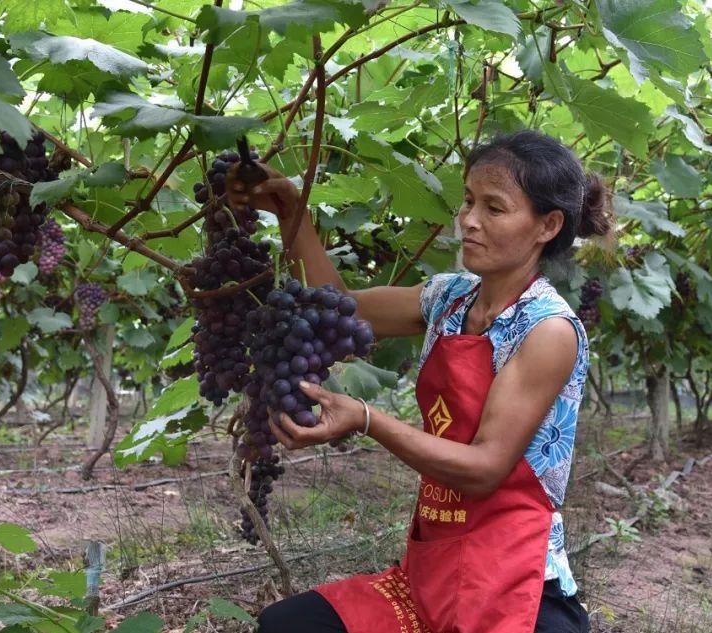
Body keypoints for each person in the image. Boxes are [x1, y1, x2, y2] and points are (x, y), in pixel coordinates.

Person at [227, 129, 611, 633]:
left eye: (494, 209)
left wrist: (367, 420)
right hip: (434, 569)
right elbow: (333, 301)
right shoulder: (448, 297)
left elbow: (485, 469)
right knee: (287, 626)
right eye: (469, 200)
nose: (469, 220)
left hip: (516, 580)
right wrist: (289, 209)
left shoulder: (548, 330)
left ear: (548, 225)